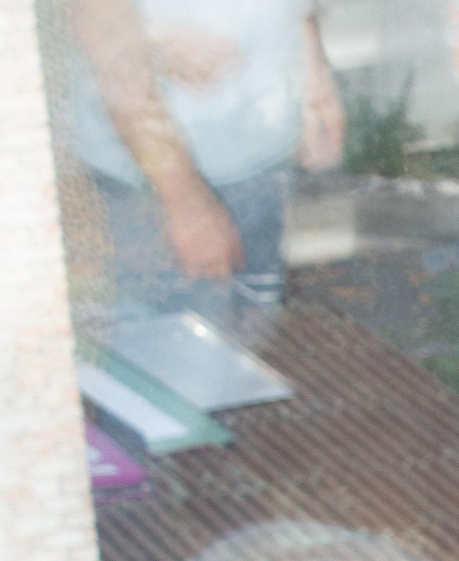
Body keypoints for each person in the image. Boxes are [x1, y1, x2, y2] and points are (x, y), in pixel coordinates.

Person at [69, 0, 347, 330]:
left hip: (259, 164)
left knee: (248, 342)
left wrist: (314, 74)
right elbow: (109, 51)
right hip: (158, 192)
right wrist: (184, 202)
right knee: (180, 356)